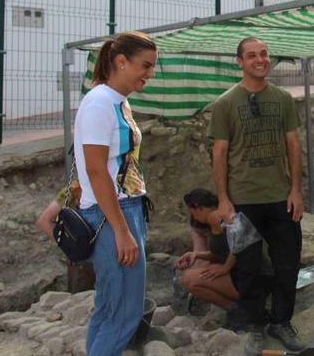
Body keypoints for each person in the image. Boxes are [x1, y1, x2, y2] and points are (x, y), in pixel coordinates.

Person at [209, 37, 305, 351]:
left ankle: (281, 321)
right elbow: (220, 153)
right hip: (242, 202)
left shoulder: (283, 99)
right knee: (247, 269)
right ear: (240, 62)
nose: (259, 60)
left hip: (280, 198)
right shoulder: (225, 103)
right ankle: (256, 325)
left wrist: (295, 190)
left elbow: (293, 145)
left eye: (263, 54)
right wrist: (223, 200)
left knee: (287, 264)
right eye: (251, 56)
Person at [75, 31, 157, 356]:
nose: (149, 74)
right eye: (145, 66)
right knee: (124, 314)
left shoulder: (118, 101)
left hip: (124, 210)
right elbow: (96, 172)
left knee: (109, 309)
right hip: (112, 216)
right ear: (121, 62)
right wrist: (122, 230)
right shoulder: (98, 103)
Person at [176, 189, 240, 310]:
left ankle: (234, 309)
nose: (195, 218)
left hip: (245, 278)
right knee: (196, 273)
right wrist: (197, 255)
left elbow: (238, 244)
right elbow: (222, 252)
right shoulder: (216, 217)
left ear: (198, 208)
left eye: (193, 213)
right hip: (239, 273)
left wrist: (225, 267)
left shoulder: (215, 217)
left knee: (188, 279)